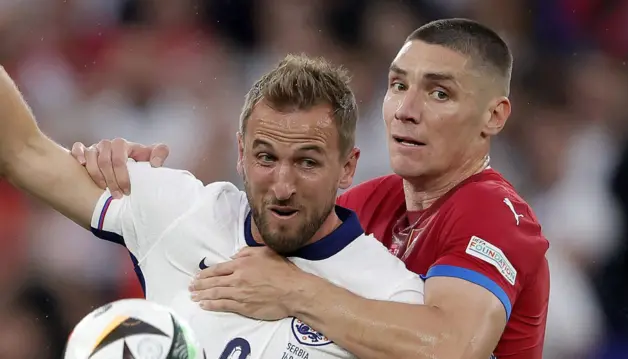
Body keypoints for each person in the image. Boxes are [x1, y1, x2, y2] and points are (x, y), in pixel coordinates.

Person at [77, 18, 551, 358]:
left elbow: (453, 348)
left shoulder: (493, 211)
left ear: (494, 116)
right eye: (398, 85)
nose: (407, 109)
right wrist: (139, 182)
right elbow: (255, 251)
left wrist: (295, 290)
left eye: (439, 93)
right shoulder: (368, 201)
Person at [0, 54, 425, 358]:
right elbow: (23, 153)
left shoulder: (390, 296)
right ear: (240, 154)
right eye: (265, 157)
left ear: (347, 168)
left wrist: (301, 293)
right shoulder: (181, 211)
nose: (282, 185)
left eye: (307, 162)